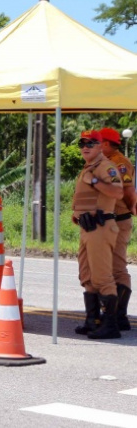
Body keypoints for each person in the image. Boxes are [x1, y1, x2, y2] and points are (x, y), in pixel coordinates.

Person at [71, 130, 124, 339]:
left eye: (91, 143)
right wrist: (76, 214)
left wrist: (93, 181)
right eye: (82, 143)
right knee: (87, 276)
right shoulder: (88, 167)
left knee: (102, 277)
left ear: (101, 146)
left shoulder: (105, 167)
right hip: (87, 227)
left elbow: (117, 193)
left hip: (101, 227)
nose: (85, 147)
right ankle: (92, 320)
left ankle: (110, 325)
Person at [99, 127, 136, 331]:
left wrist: (131, 208)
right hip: (108, 221)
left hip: (119, 220)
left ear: (105, 143)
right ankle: (113, 314)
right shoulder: (104, 161)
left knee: (117, 268)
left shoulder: (120, 162)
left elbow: (129, 191)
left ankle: (118, 316)